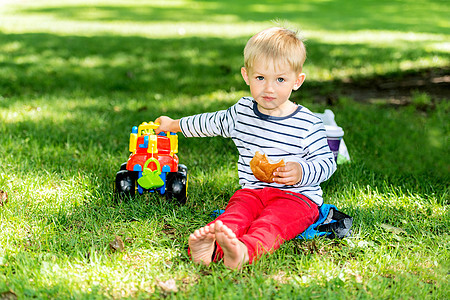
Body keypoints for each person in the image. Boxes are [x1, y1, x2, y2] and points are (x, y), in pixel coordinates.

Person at [155, 27, 336, 269]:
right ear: (246, 76)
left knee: (271, 223)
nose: (269, 88)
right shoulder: (241, 113)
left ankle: (245, 252)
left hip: (297, 198)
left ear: (297, 81)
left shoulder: (308, 123)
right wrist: (173, 125)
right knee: (233, 218)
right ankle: (209, 248)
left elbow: (327, 162)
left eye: (280, 79)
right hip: (252, 192)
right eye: (260, 78)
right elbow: (209, 122)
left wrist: (302, 170)